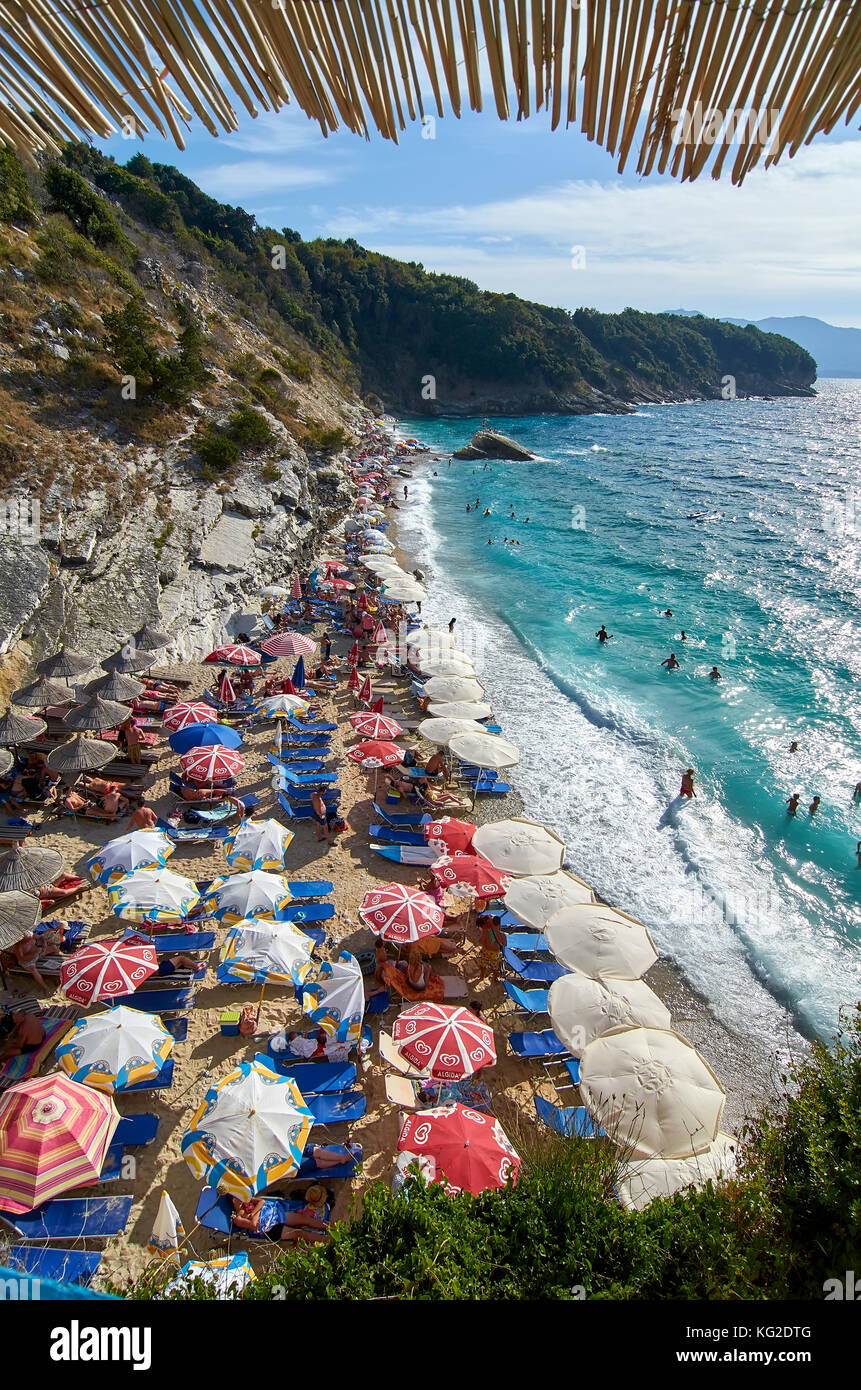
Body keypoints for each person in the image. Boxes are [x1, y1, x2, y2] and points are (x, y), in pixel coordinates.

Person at [230, 1196, 330, 1243]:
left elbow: (262, 1201)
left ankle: (330, 1226)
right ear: (233, 1201)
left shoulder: (248, 1201)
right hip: (270, 1229)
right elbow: (253, 1225)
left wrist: (253, 1213)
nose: (240, 1199)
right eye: (236, 1198)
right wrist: (256, 1214)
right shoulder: (237, 1218)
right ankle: (327, 1240)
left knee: (304, 1219)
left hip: (275, 1214)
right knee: (299, 1233)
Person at [477, 913, 505, 983]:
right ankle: (495, 979)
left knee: (483, 965)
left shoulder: (486, 931)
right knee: (495, 967)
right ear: (499, 924)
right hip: (495, 952)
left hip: (486, 950)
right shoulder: (502, 935)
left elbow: (481, 941)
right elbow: (505, 944)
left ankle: (482, 977)